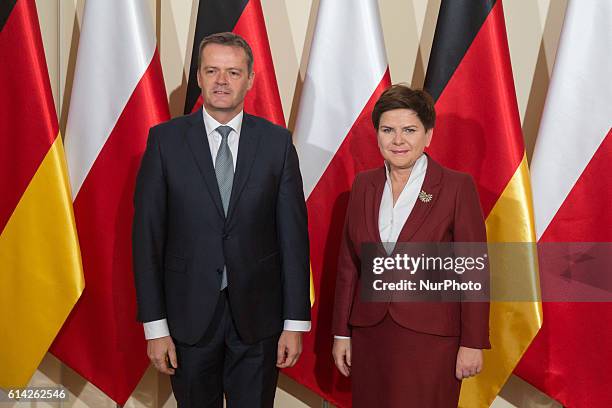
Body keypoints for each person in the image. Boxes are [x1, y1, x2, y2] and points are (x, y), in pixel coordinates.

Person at [132, 32, 311, 408]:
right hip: (187, 321)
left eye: (233, 72)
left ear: (250, 79)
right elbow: (146, 239)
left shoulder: (277, 143)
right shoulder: (164, 141)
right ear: (198, 76)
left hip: (259, 321)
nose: (221, 81)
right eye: (212, 71)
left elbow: (294, 240)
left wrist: (295, 324)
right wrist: (155, 327)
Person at [331, 85, 490, 407]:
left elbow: (473, 269)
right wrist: (341, 333)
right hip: (371, 333)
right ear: (377, 134)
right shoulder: (364, 185)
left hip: (431, 339)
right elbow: (350, 265)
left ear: (428, 135)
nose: (398, 140)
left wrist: (473, 342)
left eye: (409, 130)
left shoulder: (456, 186)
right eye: (388, 130)